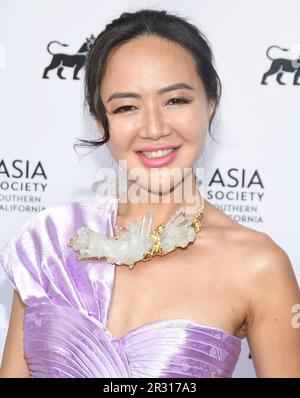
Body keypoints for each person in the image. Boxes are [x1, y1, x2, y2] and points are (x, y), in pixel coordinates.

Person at [1, 8, 300, 378]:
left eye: (175, 100)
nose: (154, 128)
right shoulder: (49, 244)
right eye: (127, 107)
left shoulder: (259, 265)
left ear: (211, 103)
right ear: (101, 120)